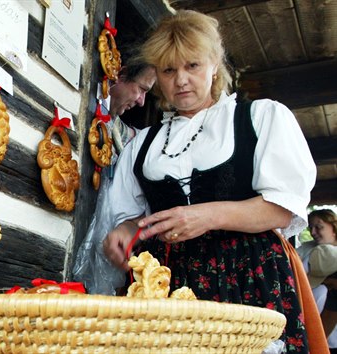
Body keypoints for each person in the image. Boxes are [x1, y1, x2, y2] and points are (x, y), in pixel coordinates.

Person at [102, 10, 317, 353]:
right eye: (169, 70)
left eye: (193, 66)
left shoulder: (260, 118)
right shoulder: (142, 144)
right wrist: (125, 234)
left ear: (215, 65)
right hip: (168, 283)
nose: (181, 80)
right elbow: (133, 218)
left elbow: (282, 208)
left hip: (247, 275)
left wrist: (208, 215)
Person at [72, 59, 155, 295]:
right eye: (141, 89)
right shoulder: (92, 112)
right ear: (121, 74)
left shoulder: (124, 133)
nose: (141, 101)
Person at [298, 209, 337, 351]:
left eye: (319, 227)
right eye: (311, 227)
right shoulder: (308, 249)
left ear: (333, 226)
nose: (313, 232)